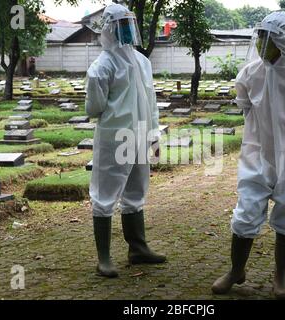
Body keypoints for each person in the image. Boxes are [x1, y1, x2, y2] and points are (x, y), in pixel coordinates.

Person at [212, 11, 285, 298]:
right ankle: (237, 271)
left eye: (267, 37)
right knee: (246, 212)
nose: (261, 43)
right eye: (259, 36)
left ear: (283, 40)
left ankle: (280, 279)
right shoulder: (249, 73)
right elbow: (245, 106)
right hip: (256, 155)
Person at [85, 3, 166, 278]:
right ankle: (104, 258)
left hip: (141, 136)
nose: (128, 31)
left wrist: (155, 136)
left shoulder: (142, 62)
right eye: (123, 26)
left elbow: (152, 103)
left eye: (130, 25)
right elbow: (93, 108)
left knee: (136, 192)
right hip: (113, 138)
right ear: (110, 29)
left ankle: (138, 248)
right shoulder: (102, 66)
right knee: (105, 195)